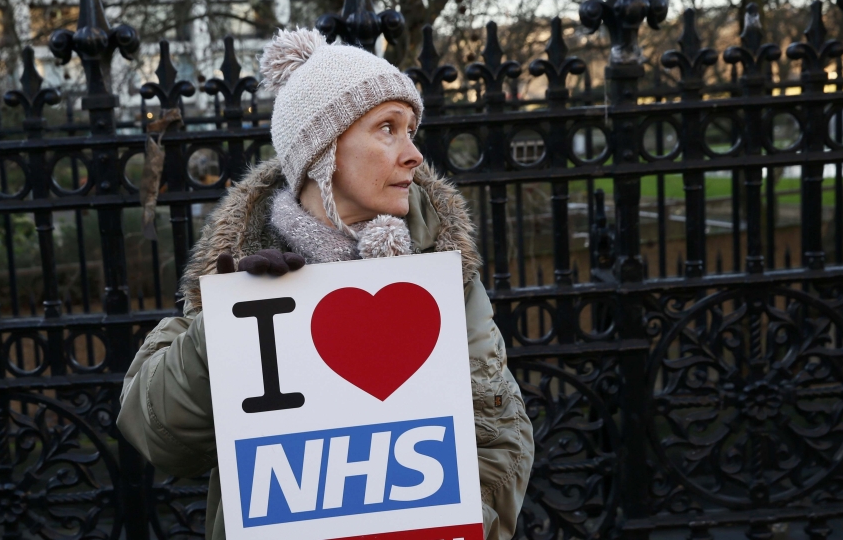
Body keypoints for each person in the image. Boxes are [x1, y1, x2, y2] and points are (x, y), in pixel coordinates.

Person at [117, 28, 534, 540]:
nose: (413, 154)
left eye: (411, 130)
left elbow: (502, 439)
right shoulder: (238, 274)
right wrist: (220, 333)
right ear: (322, 152)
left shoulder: (444, 278)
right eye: (387, 128)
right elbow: (160, 438)